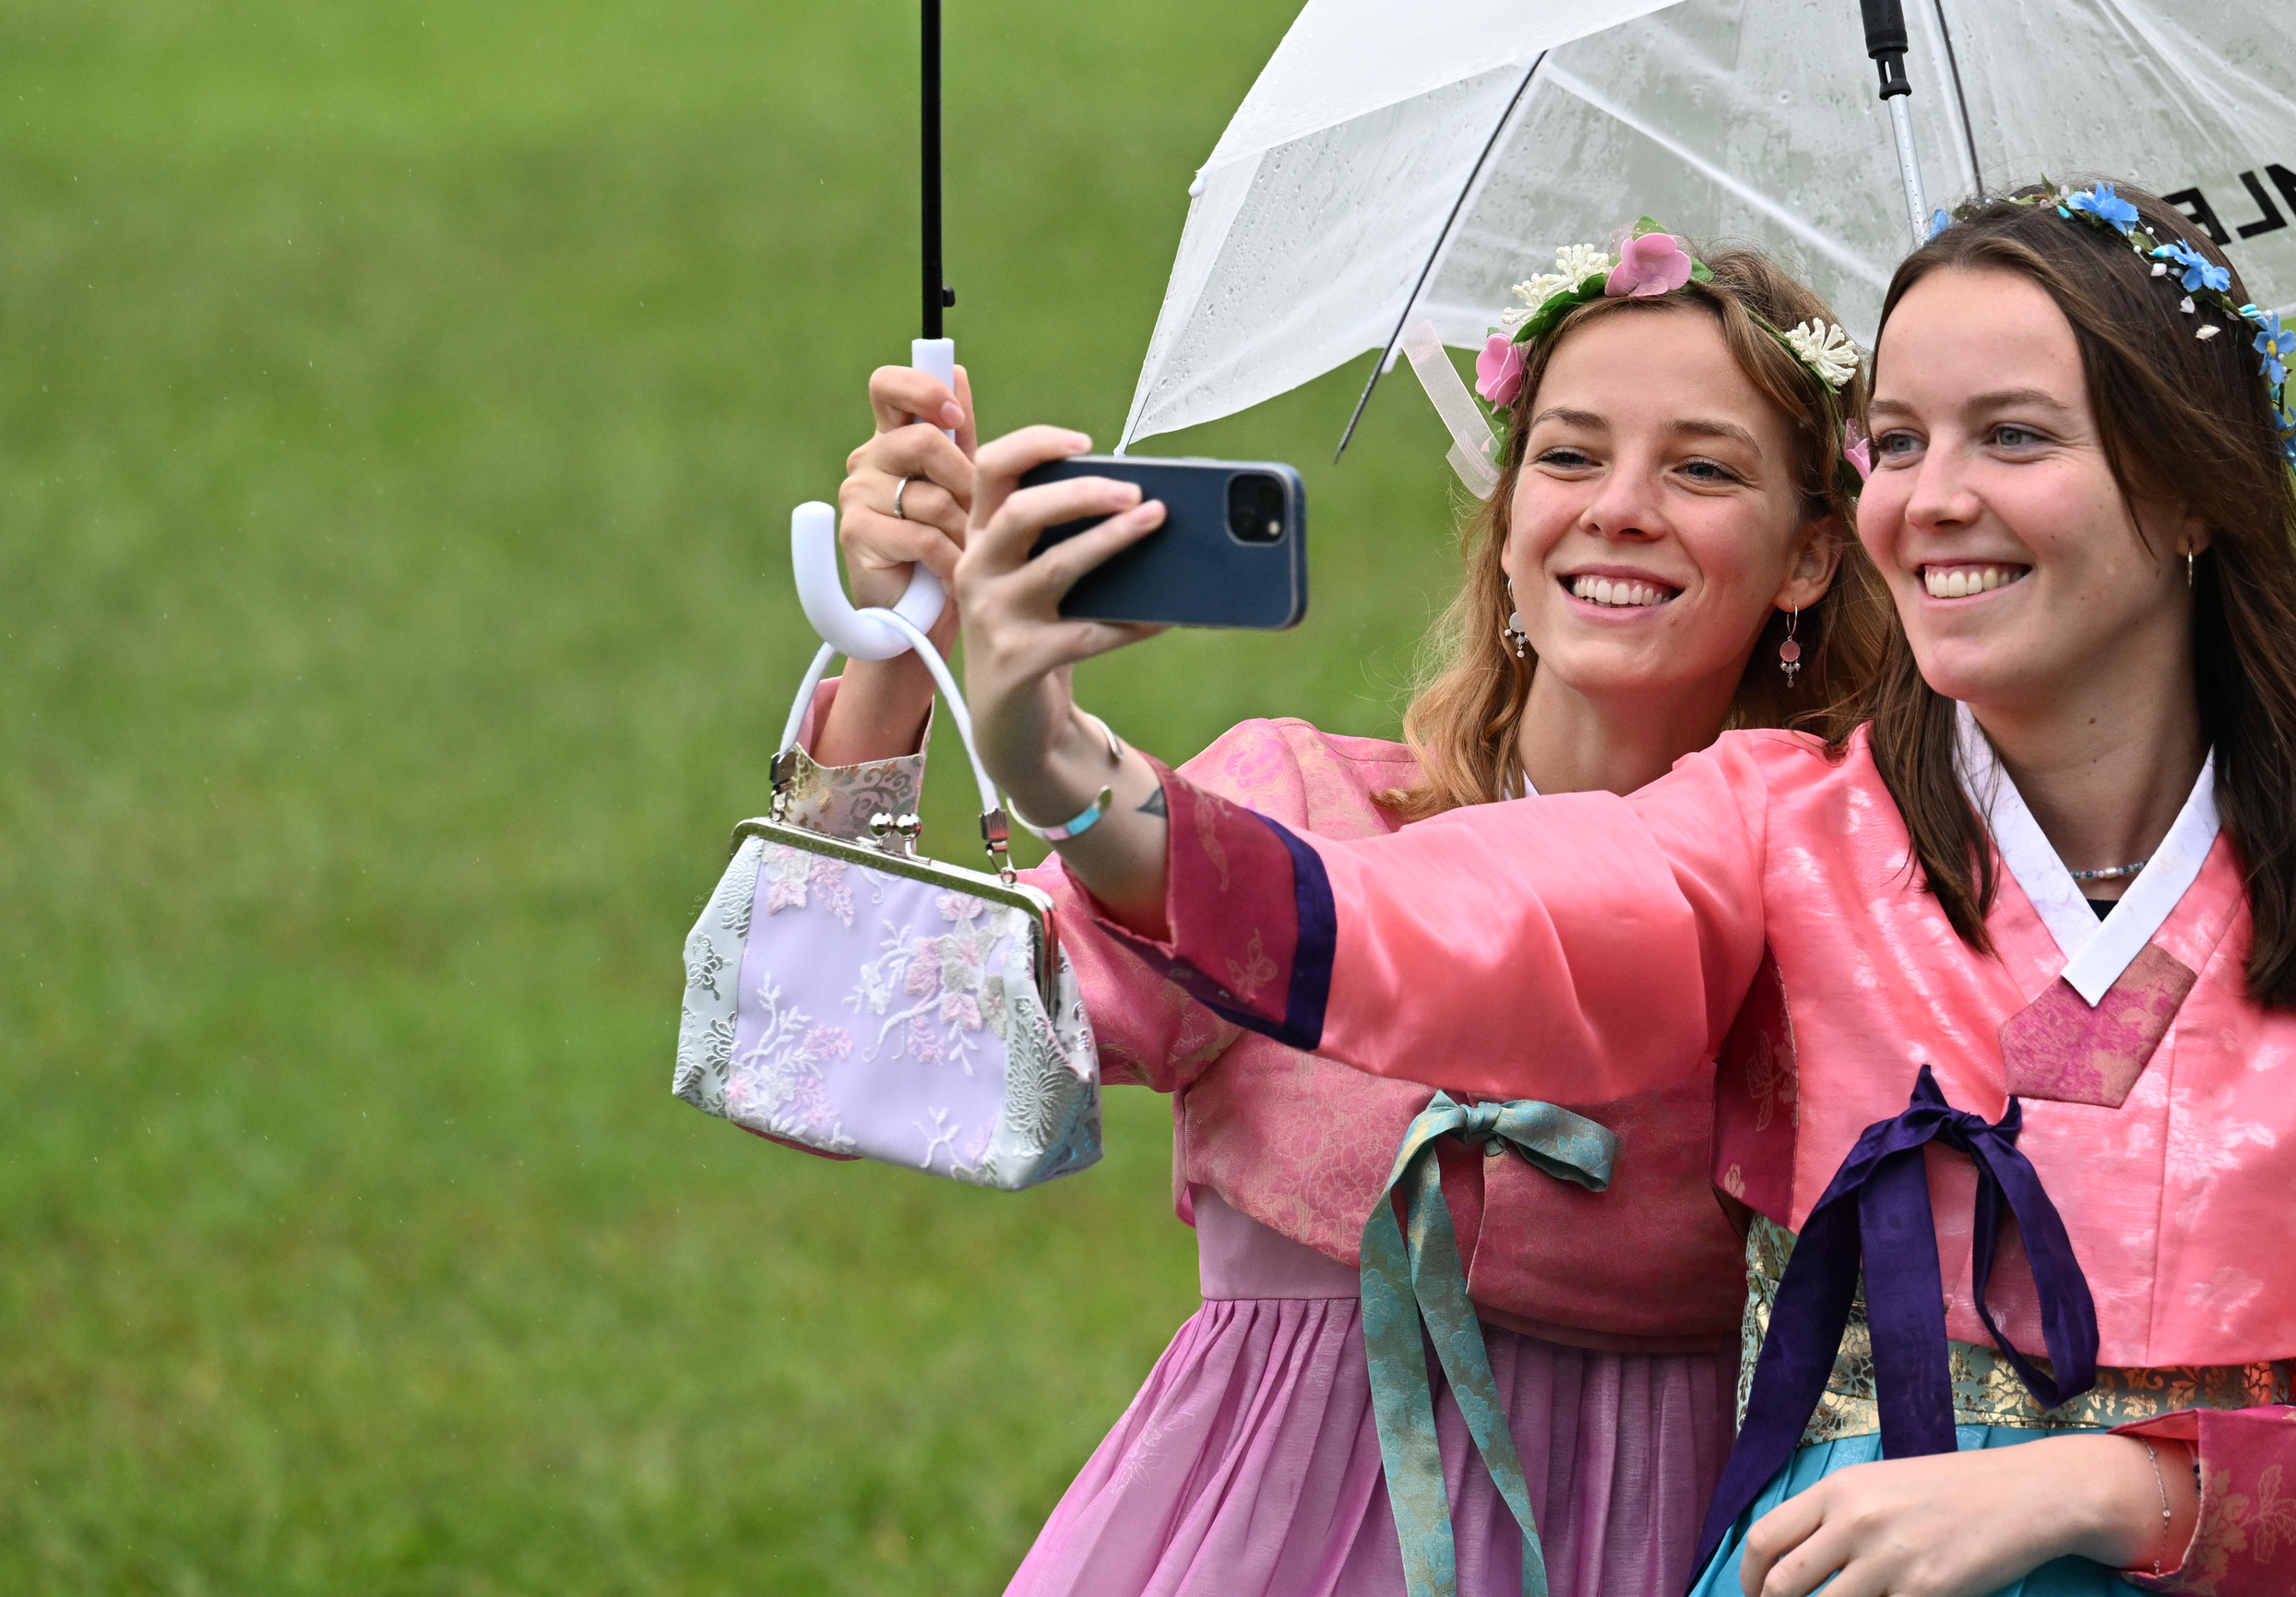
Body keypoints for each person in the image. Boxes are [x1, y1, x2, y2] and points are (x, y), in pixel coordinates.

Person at [958, 181, 2296, 1597]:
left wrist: (2102, 1489)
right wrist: (1076, 786)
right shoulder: (1785, 830)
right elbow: (1462, 918)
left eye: (2011, 436)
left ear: (2187, 494)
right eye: (1896, 440)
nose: (1930, 496)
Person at [781, 227, 1892, 1597]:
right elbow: (838, 1051)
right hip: (1250, 1546)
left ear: (1811, 557)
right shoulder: (1292, 814)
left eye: (1704, 468)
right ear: (1506, 511)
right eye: (1569, 452)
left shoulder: (1849, 911)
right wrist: (887, 646)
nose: (1620, 505)